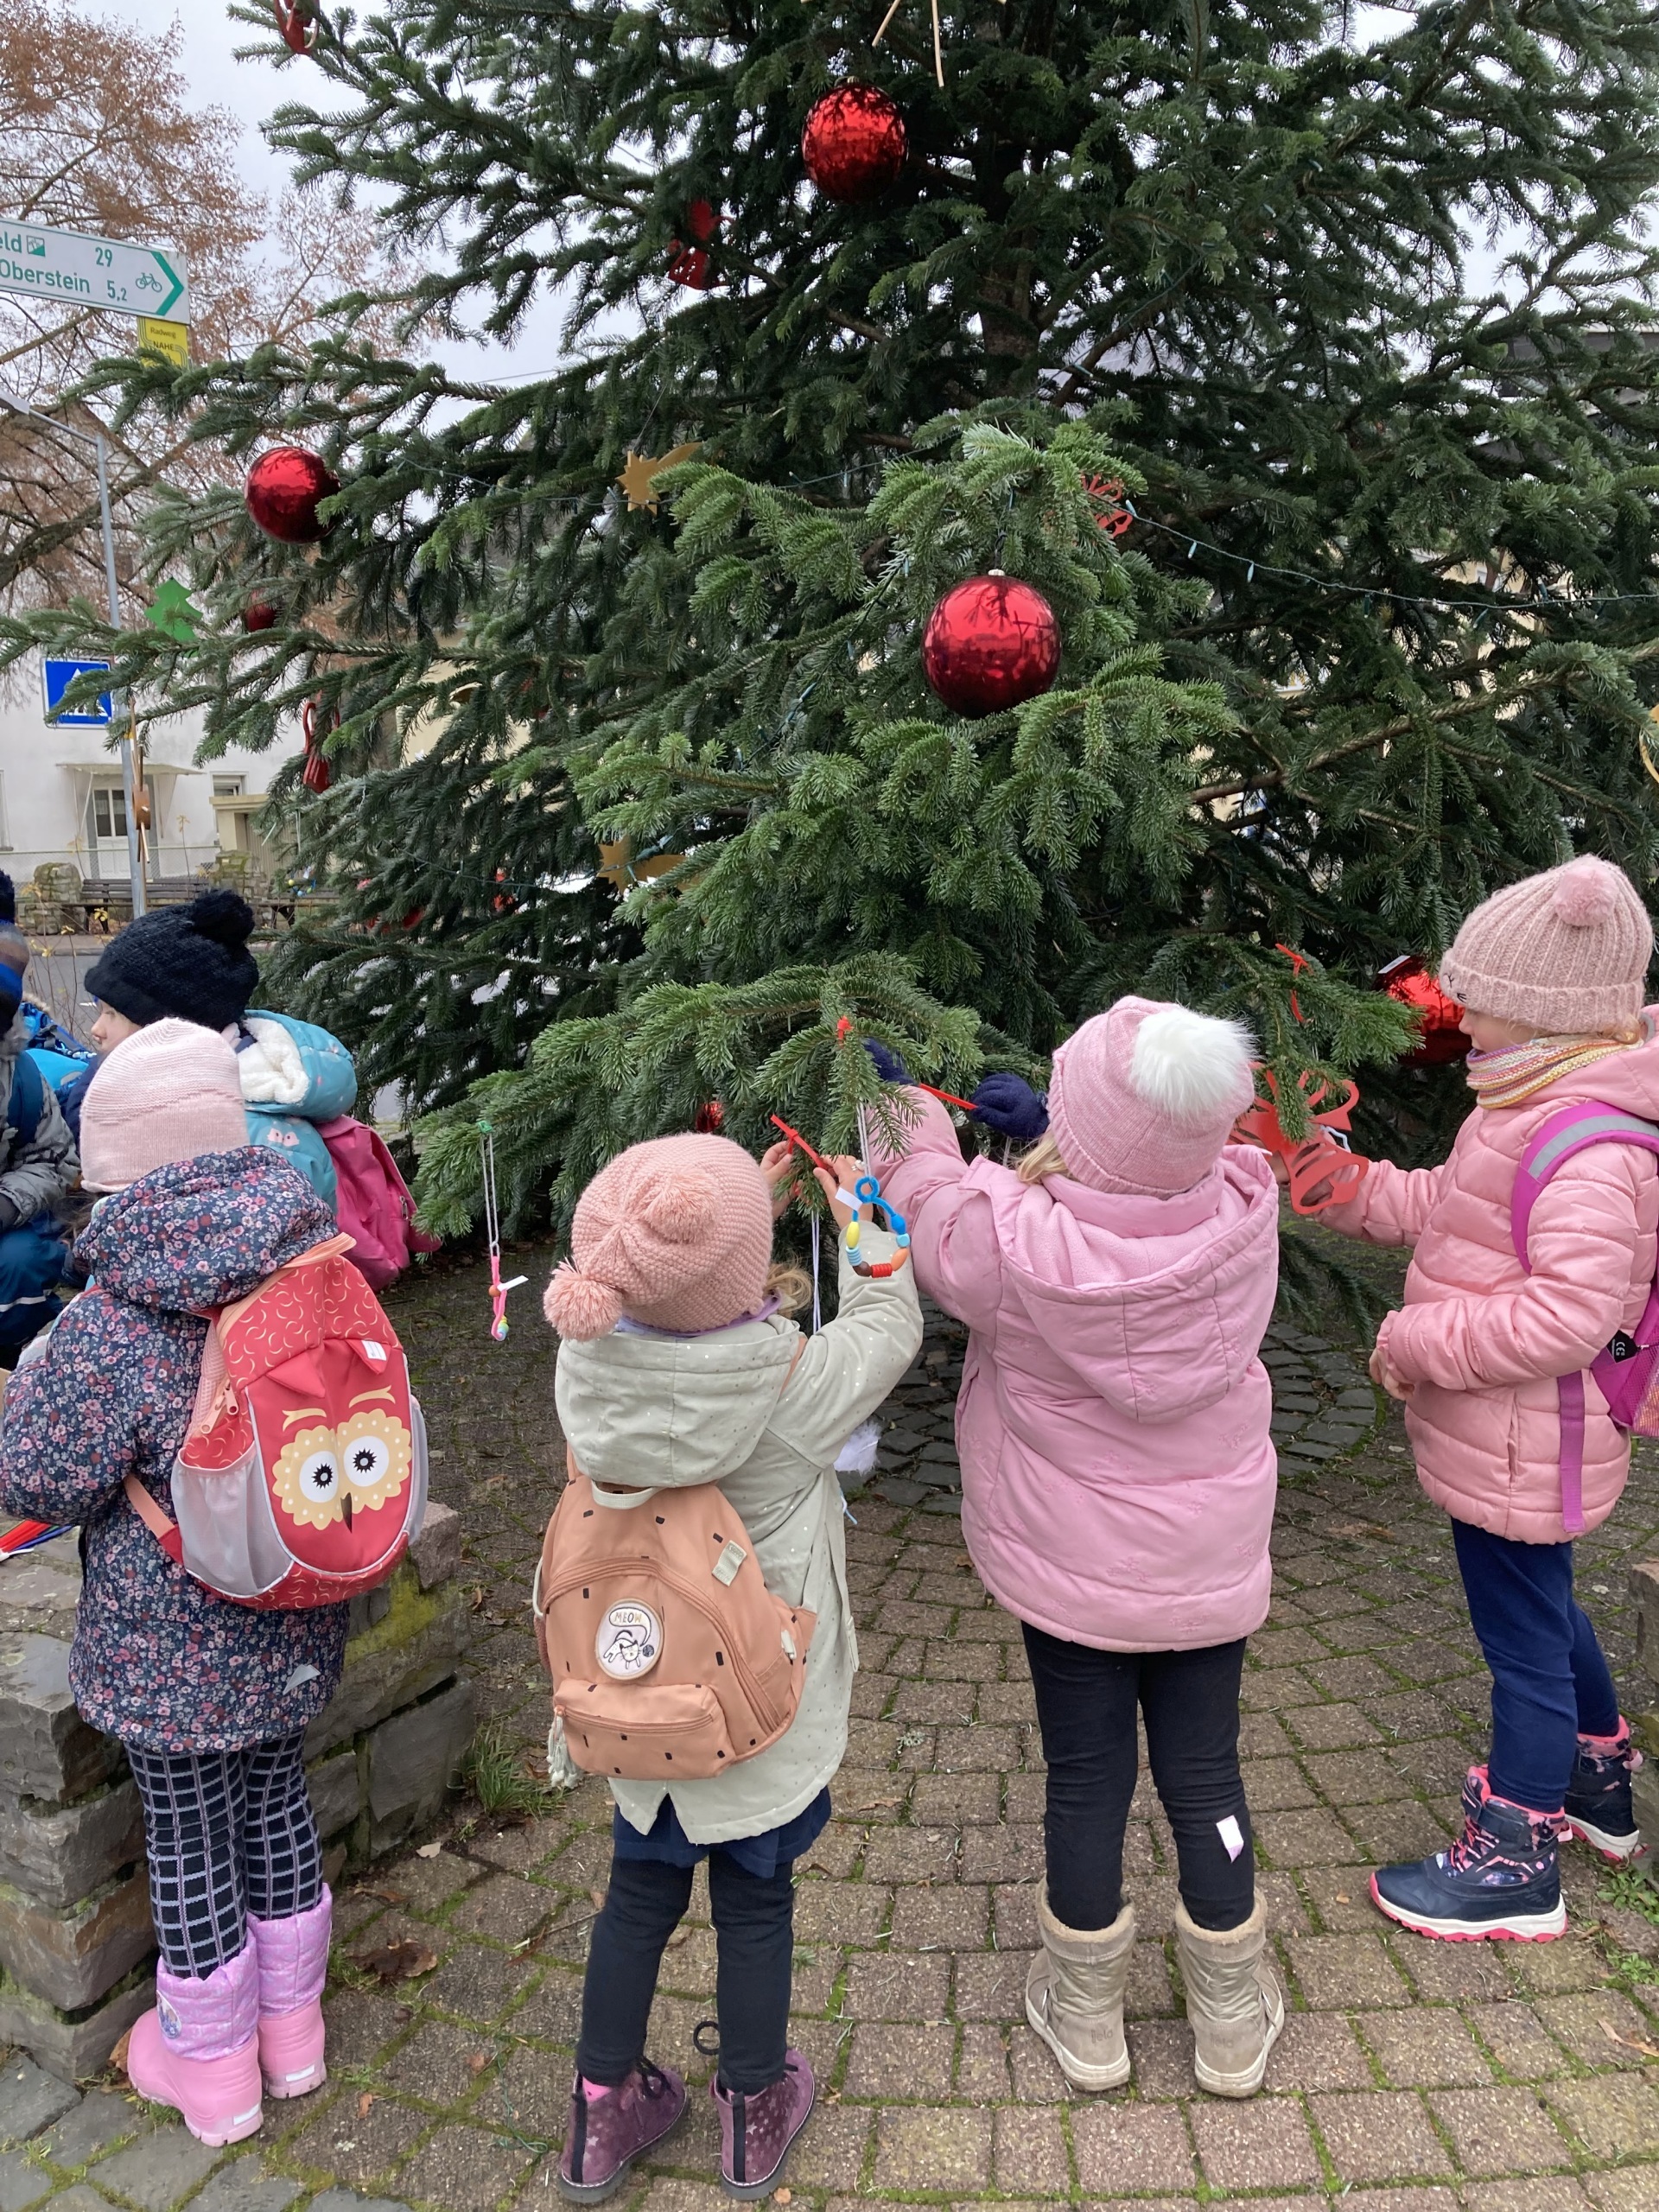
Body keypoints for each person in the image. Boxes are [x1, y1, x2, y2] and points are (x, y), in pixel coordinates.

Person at [867, 1001, 1284, 2099]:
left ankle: (1089, 2014)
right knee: (1208, 1775)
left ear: (1084, 1133)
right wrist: (1054, 1130)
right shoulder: (1244, 1210)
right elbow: (1145, 1187)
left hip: (1073, 1573)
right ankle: (1231, 2010)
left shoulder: (1011, 1243)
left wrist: (903, 1106)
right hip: (1207, 1566)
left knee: (1086, 1777)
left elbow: (926, 1198)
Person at [545, 1131, 921, 2203]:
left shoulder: (587, 1369)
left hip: (633, 1694)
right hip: (756, 1702)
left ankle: (601, 2112)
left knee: (636, 1898)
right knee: (757, 1902)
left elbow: (661, 1295)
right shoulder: (791, 1382)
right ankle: (753, 2110)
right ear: (747, 1271)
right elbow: (887, 1328)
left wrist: (723, 1211)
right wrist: (865, 1231)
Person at [0, 1020, 346, 2145]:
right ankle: (294, 2041)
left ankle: (214, 2075)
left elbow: (42, 1477)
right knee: (278, 1806)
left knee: (192, 1846)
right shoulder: (305, 1261)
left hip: (170, 1653)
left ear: (111, 1176)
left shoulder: (111, 1321)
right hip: (298, 1613)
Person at [1316, 854, 1659, 1940]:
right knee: (1547, 1606)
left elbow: (1565, 1312)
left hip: (1528, 1438)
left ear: (1543, 1010)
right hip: (1515, 1435)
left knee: (1520, 1638)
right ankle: (1600, 1787)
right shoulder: (1531, 1097)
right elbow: (1455, 1206)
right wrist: (1338, 1183)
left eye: (1479, 994)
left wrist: (1416, 1339)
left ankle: (1516, 1858)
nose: (1455, 1007)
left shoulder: (1586, 1141)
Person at [69, 889, 355, 1211]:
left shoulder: (256, 1136)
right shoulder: (135, 1088)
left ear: (169, 1028)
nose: (96, 1029)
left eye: (112, 1014)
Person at [0, 876, 79, 1363]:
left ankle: (19, 1355)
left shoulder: (22, 1076)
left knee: (25, 1258)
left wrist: (8, 1204)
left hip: (7, 1224)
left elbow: (55, 1160)